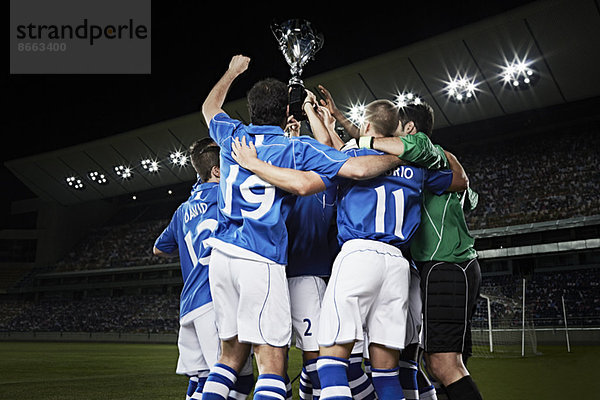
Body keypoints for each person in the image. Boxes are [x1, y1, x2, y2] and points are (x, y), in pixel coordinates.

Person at [230, 97, 468, 400]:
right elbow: (458, 179)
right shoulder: (417, 165)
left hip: (359, 255)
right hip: (397, 265)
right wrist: (413, 152)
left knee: (329, 361)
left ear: (367, 126)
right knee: (387, 371)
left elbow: (328, 156)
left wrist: (309, 117)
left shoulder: (354, 157)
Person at [199, 55, 406, 400]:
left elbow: (209, 107)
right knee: (272, 366)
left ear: (251, 110)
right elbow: (355, 170)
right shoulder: (294, 148)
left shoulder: (232, 134)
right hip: (259, 256)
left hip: (221, 255)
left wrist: (232, 72)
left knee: (229, 358)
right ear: (286, 115)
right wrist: (403, 154)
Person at [355, 102, 484, 400]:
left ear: (410, 130)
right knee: (440, 363)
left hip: (446, 265)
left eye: (396, 129)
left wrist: (363, 140)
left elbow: (460, 180)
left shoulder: (426, 154)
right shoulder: (427, 163)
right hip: (451, 266)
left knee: (443, 364)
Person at [153, 139, 253, 400]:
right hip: (214, 301)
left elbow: (159, 249)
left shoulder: (182, 210)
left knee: (200, 380)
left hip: (188, 304)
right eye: (229, 166)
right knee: (239, 380)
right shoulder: (227, 197)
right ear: (217, 171)